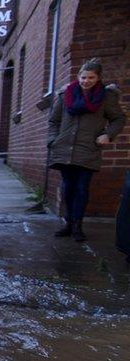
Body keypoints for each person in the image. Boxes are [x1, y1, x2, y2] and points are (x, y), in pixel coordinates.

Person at [48, 58, 126, 242]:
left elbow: (119, 119)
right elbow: (54, 121)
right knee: (68, 188)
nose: (86, 81)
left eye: (91, 77)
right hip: (64, 148)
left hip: (88, 149)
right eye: (84, 77)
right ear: (78, 76)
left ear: (98, 78)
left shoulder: (106, 97)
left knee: (82, 188)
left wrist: (108, 135)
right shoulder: (65, 94)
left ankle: (77, 225)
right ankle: (68, 222)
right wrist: (53, 140)